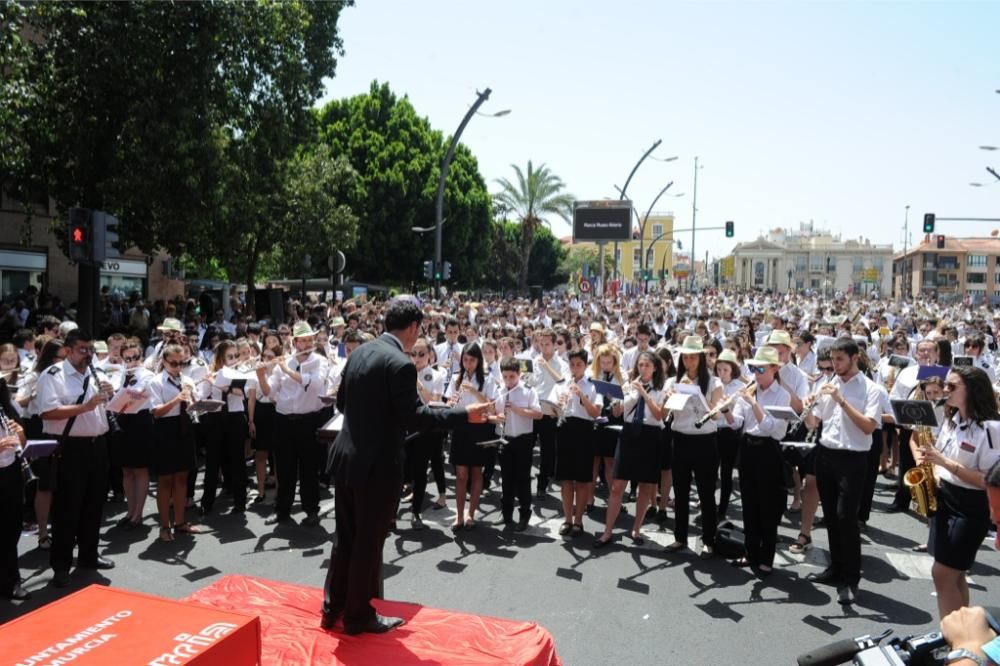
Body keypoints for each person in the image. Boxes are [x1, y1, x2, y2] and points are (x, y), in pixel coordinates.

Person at [323, 297, 488, 635]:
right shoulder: (400, 363)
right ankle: (357, 615)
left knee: (346, 539)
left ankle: (333, 607)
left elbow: (342, 402)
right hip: (377, 465)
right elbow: (418, 417)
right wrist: (464, 415)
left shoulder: (359, 352)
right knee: (368, 542)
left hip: (347, 459)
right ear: (413, 327)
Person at [915, 366, 1000, 619]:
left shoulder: (991, 429)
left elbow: (989, 480)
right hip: (946, 497)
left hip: (971, 506)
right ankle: (960, 632)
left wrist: (944, 463)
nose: (945, 391)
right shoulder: (951, 421)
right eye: (945, 385)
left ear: (972, 390)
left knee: (942, 573)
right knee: (955, 574)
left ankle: (952, 635)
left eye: (952, 386)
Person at [803, 337, 881, 606]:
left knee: (846, 518)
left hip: (853, 458)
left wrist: (841, 401)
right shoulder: (829, 383)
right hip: (826, 453)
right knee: (832, 517)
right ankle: (835, 568)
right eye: (832, 360)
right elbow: (815, 421)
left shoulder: (871, 389)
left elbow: (868, 426)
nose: (834, 365)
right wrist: (808, 405)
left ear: (854, 358)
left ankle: (851, 578)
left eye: (839, 360)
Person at [36, 329, 115, 587]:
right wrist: (86, 406)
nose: (88, 354)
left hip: (97, 444)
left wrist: (110, 395)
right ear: (68, 350)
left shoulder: (97, 372)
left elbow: (105, 405)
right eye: (82, 349)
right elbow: (47, 413)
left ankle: (89, 556)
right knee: (68, 508)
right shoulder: (53, 375)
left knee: (94, 504)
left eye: (90, 349)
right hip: (70, 448)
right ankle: (60, 566)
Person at [724, 347, 790, 576]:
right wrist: (726, 411)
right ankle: (750, 552)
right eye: (753, 368)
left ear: (774, 369)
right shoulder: (750, 390)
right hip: (748, 448)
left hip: (769, 451)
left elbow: (775, 429)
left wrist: (753, 403)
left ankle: (766, 557)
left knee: (767, 508)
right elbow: (737, 423)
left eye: (760, 369)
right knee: (749, 504)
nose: (756, 373)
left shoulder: (782, 395)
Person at [256, 321, 329, 527]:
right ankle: (282, 509)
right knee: (284, 467)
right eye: (302, 340)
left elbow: (314, 384)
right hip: (283, 420)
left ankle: (311, 510)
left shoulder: (319, 361)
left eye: (309, 340)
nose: (306, 344)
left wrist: (287, 370)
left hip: (309, 420)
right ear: (295, 342)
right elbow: (269, 392)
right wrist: (261, 375)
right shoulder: (285, 361)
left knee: (309, 468)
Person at [593, 350, 666, 548]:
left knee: (645, 486)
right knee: (617, 486)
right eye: (640, 365)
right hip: (628, 435)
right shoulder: (628, 385)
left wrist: (643, 392)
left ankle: (636, 528)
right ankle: (607, 531)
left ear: (655, 368)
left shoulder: (661, 389)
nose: (643, 369)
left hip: (650, 435)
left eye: (647, 365)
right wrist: (616, 399)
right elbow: (617, 412)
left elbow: (660, 415)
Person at [664, 336, 723, 557]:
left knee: (706, 493)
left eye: (692, 357)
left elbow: (715, 415)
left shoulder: (714, 383)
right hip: (680, 439)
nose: (688, 362)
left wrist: (696, 394)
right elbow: (664, 415)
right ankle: (680, 537)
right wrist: (669, 398)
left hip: (705, 441)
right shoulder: (673, 382)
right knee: (680, 491)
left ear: (700, 358)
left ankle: (709, 539)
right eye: (685, 357)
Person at [147, 345, 201, 543]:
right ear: (164, 362)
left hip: (185, 429)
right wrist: (177, 399)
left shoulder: (187, 380)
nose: (179, 367)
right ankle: (164, 525)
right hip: (165, 431)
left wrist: (197, 402)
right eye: (174, 363)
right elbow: (156, 411)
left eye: (182, 363)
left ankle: (180, 522)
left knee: (182, 479)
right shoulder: (156, 381)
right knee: (165, 481)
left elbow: (194, 408)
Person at [443, 342, 498, 531]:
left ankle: (471, 514)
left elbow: (491, 405)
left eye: (472, 360)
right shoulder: (456, 378)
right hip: (461, 427)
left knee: (476, 472)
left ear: (478, 360)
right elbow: (449, 404)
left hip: (480, 428)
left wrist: (473, 390)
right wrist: (452, 401)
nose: (468, 364)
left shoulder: (488, 379)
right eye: (465, 360)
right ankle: (458, 516)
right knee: (460, 474)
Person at [493, 357, 542, 531]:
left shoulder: (528, 391)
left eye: (512, 376)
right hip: (504, 438)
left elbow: (538, 414)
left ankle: (524, 515)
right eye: (505, 376)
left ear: (519, 374)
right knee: (506, 478)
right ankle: (506, 514)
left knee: (522, 478)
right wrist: (496, 417)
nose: (508, 380)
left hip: (523, 439)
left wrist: (517, 410)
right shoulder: (499, 389)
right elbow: (492, 411)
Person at [555, 349, 600, 536]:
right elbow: (552, 411)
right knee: (566, 479)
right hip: (565, 429)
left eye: (579, 364)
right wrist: (559, 404)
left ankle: (579, 521)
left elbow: (595, 413)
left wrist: (581, 395)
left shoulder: (592, 386)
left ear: (586, 365)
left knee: (581, 480)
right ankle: (567, 519)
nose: (575, 368)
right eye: (572, 364)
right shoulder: (561, 384)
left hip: (583, 431)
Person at [109, 341, 153, 529]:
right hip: (123, 421)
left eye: (135, 357)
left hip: (140, 421)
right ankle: (130, 511)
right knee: (126, 469)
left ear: (141, 357)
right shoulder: (120, 375)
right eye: (128, 358)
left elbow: (140, 395)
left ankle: (138, 514)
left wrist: (122, 395)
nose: (132, 362)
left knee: (140, 469)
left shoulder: (147, 375)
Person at [0, 376, 28, 599]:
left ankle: (11, 581)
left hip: (9, 473)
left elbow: (23, 443)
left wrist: (19, 433)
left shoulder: (7, 408)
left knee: (11, 528)